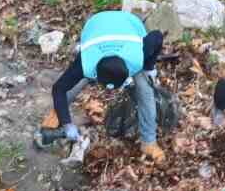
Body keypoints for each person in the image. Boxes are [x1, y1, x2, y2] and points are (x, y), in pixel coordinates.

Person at [41, 11, 167, 163]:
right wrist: (67, 123)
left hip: (128, 24)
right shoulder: (86, 61)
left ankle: (149, 142)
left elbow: (157, 36)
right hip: (96, 27)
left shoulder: (139, 53)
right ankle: (57, 113)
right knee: (76, 81)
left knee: (145, 89)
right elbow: (58, 89)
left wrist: (149, 67)